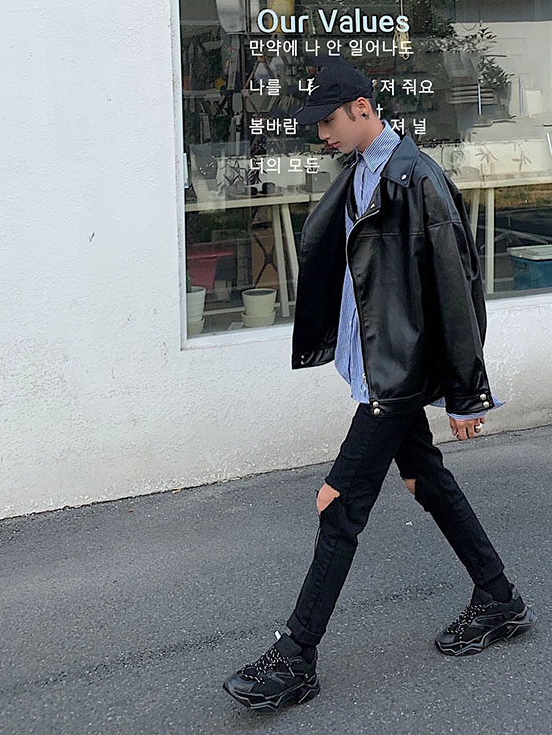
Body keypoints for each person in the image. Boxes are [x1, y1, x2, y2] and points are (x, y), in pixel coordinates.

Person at [222, 57, 536, 711]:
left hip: (394, 376)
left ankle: (296, 657)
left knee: (337, 502)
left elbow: (457, 289)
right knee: (425, 480)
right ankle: (498, 596)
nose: (322, 135)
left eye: (329, 122)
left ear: (363, 108)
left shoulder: (415, 178)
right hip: (376, 365)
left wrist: (466, 392)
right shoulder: (359, 171)